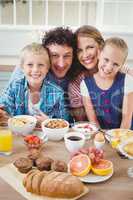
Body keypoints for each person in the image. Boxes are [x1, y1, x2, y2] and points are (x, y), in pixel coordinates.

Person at [1, 27, 76, 123]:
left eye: (67, 56)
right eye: (54, 55)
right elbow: (5, 107)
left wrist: (49, 122)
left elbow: (66, 123)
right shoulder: (18, 80)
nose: (61, 64)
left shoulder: (59, 91)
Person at [68, 25, 133, 122]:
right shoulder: (76, 85)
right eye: (79, 50)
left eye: (90, 47)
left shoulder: (125, 73)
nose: (85, 55)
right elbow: (82, 122)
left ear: (101, 48)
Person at [80, 37, 133, 129]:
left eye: (115, 64)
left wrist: (117, 141)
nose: (108, 67)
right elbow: (93, 121)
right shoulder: (85, 84)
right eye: (106, 59)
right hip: (101, 135)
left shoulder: (127, 81)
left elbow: (126, 120)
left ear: (121, 65)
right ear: (99, 54)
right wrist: (101, 138)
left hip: (124, 135)